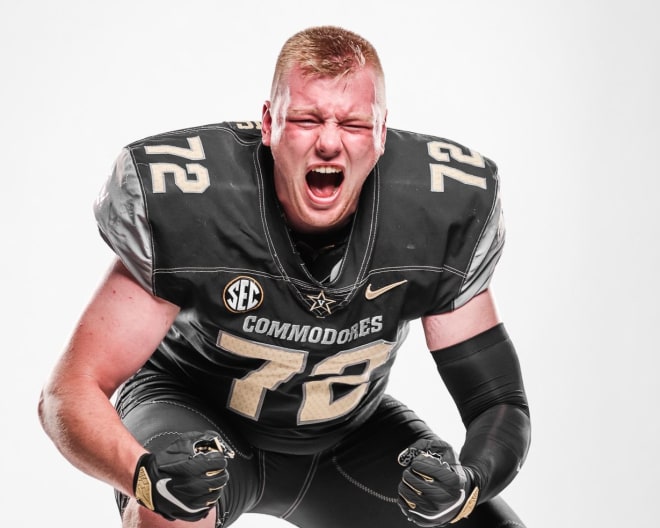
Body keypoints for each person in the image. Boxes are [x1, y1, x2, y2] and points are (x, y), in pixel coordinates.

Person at [39, 26, 531, 528]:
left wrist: (468, 482)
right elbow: (69, 390)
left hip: (349, 434)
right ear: (269, 123)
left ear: (383, 132)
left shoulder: (437, 210)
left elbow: (497, 402)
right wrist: (142, 473)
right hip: (195, 415)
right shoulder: (196, 201)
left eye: (355, 124)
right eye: (306, 118)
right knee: (172, 508)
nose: (329, 143)